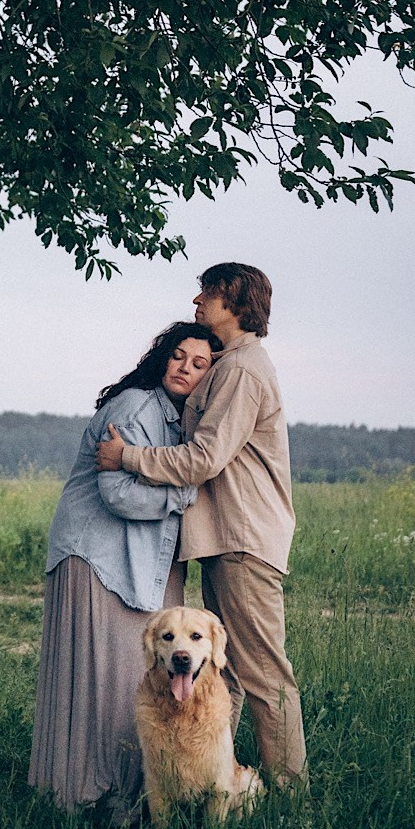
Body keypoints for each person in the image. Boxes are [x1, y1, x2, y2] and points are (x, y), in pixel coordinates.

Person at [96, 262, 307, 787]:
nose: (197, 304)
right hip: (226, 538)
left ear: (233, 301)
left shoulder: (240, 370)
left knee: (263, 675)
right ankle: (216, 786)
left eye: (206, 295)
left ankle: (293, 799)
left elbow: (204, 458)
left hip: (243, 539)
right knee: (224, 675)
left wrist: (129, 458)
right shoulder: (230, 365)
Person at [28, 320, 220, 820]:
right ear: (162, 356)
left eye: (200, 365)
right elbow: (117, 493)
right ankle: (85, 799)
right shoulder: (136, 406)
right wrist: (183, 494)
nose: (186, 369)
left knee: (124, 679)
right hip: (98, 555)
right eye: (179, 356)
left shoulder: (179, 422)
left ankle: (124, 798)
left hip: (132, 556)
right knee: (100, 679)